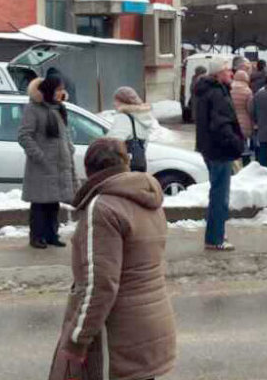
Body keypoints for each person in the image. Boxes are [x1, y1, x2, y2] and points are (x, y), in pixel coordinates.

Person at [49, 138, 175, 380]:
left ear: (89, 170)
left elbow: (100, 284)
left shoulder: (103, 207)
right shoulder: (148, 198)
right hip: (153, 325)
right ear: (125, 163)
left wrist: (77, 339)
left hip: (120, 334)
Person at [19, 75, 78, 249]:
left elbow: (64, 134)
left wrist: (70, 148)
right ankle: (37, 237)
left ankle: (52, 235)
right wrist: (40, 156)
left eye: (62, 89)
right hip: (42, 165)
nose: (62, 92)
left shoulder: (59, 108)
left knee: (53, 202)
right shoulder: (33, 109)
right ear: (49, 90)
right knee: (39, 203)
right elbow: (24, 136)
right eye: (58, 89)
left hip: (59, 163)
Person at [195, 59, 245, 251]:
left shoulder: (206, 91)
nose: (231, 73)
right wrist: (236, 143)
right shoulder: (217, 93)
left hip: (210, 149)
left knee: (217, 193)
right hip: (219, 150)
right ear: (218, 74)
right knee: (220, 196)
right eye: (227, 71)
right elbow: (221, 125)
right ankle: (215, 238)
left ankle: (215, 234)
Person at [106, 86, 154, 172]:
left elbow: (113, 142)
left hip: (124, 166)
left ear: (123, 101)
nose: (114, 104)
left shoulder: (124, 117)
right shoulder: (143, 116)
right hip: (139, 163)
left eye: (116, 101)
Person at [230, 69, 254, 166]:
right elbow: (250, 108)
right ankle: (245, 164)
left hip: (231, 120)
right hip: (244, 121)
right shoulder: (247, 91)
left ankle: (234, 163)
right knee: (243, 143)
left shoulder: (229, 88)